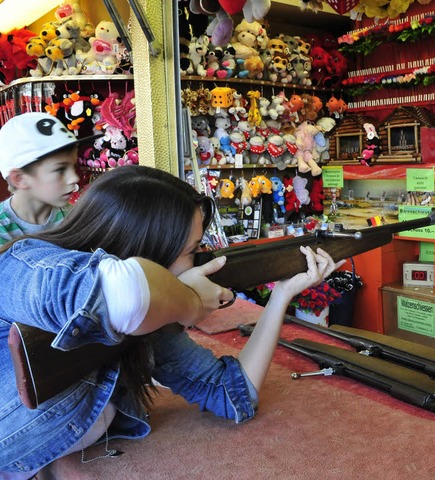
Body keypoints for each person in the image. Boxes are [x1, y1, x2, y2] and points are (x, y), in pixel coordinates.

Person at [0, 165, 342, 478]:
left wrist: (282, 295)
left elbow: (233, 394)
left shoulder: (150, 320)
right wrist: (189, 303)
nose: (197, 261)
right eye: (190, 250)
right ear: (145, 247)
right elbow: (127, 294)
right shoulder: (24, 265)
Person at [0, 112, 99, 245]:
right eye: (60, 169)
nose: (74, 178)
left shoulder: (72, 217)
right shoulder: (2, 229)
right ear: (19, 179)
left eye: (73, 166)